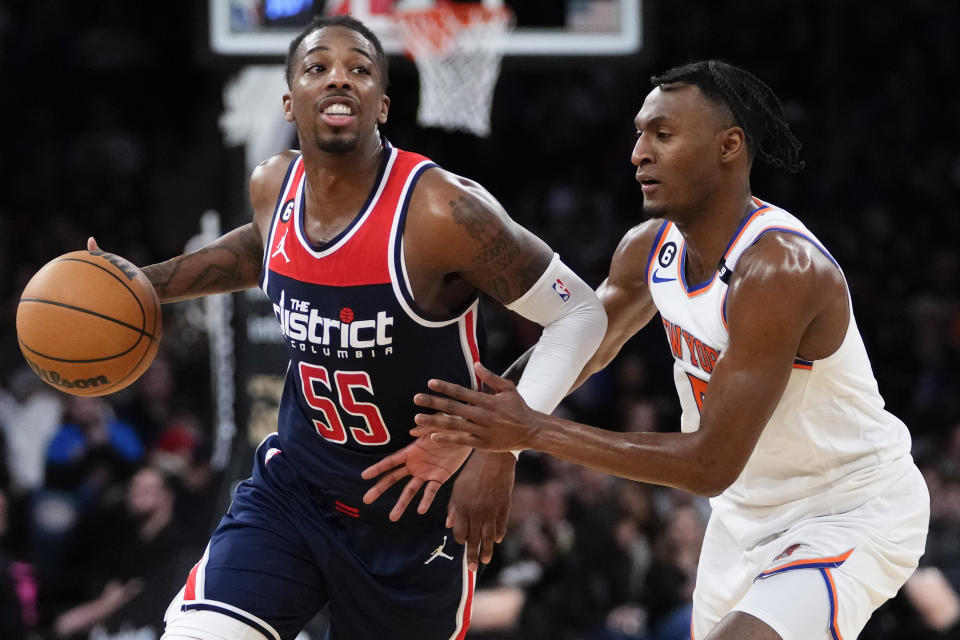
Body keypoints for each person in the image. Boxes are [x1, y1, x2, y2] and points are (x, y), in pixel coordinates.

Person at [87, 14, 606, 640]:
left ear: (381, 104)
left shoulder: (442, 212)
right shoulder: (273, 186)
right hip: (294, 492)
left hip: (414, 518)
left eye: (359, 70)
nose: (339, 80)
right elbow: (263, 249)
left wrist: (499, 444)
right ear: (290, 98)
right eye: (317, 69)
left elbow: (581, 313)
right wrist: (148, 283)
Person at [408, 60, 930, 640]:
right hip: (742, 517)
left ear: (728, 146)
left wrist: (528, 434)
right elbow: (583, 345)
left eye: (662, 134)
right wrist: (485, 442)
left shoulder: (778, 269)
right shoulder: (649, 248)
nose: (638, 153)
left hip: (848, 507)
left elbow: (708, 464)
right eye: (638, 133)